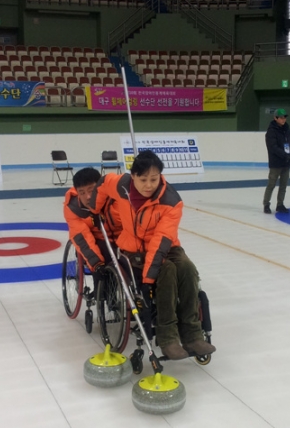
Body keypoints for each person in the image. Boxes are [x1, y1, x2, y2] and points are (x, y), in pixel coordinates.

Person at [88, 150, 216, 361]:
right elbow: (102, 184)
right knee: (167, 270)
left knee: (187, 268)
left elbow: (161, 241)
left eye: (154, 179)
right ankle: (168, 337)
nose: (149, 185)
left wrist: (148, 279)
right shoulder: (121, 185)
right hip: (133, 250)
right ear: (133, 176)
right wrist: (94, 209)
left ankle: (193, 334)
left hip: (165, 246)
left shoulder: (171, 201)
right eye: (143, 179)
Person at [63, 167, 121, 282]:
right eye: (82, 193)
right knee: (106, 257)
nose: (88, 197)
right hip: (97, 241)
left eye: (91, 190)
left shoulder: (115, 197)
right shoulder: (73, 208)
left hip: (123, 237)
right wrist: (96, 263)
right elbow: (82, 238)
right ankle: (102, 290)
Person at [262, 108, 290, 214]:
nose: (283, 119)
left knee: (283, 185)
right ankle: (266, 204)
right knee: (271, 184)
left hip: (286, 162)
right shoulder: (271, 131)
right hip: (276, 162)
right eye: (281, 118)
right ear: (275, 118)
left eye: (284, 117)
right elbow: (273, 147)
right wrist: (285, 155)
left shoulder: (286, 128)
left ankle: (280, 204)